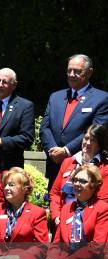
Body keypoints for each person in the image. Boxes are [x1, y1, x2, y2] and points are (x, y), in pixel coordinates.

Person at [40, 54, 108, 188]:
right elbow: (44, 128)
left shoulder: (102, 98)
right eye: (69, 70)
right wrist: (53, 151)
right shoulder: (56, 97)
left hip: (85, 168)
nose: (71, 74)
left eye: (77, 71)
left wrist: (66, 151)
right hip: (55, 166)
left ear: (89, 73)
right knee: (55, 203)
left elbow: (95, 131)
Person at [49, 123, 108, 225]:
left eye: (93, 140)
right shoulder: (68, 162)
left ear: (100, 144)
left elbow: (102, 201)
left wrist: (77, 220)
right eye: (86, 138)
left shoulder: (104, 168)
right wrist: (57, 216)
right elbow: (55, 193)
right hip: (61, 220)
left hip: (87, 223)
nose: (87, 143)